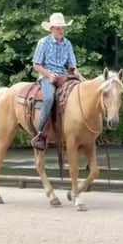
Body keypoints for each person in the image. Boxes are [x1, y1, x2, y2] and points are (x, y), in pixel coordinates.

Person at [30, 12, 82, 150]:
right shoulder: (44, 42)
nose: (61, 31)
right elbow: (36, 65)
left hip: (64, 76)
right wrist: (48, 75)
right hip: (47, 76)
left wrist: (81, 78)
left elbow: (72, 67)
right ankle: (40, 133)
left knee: (78, 96)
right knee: (48, 98)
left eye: (63, 28)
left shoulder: (67, 44)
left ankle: (76, 130)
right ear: (51, 29)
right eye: (58, 28)